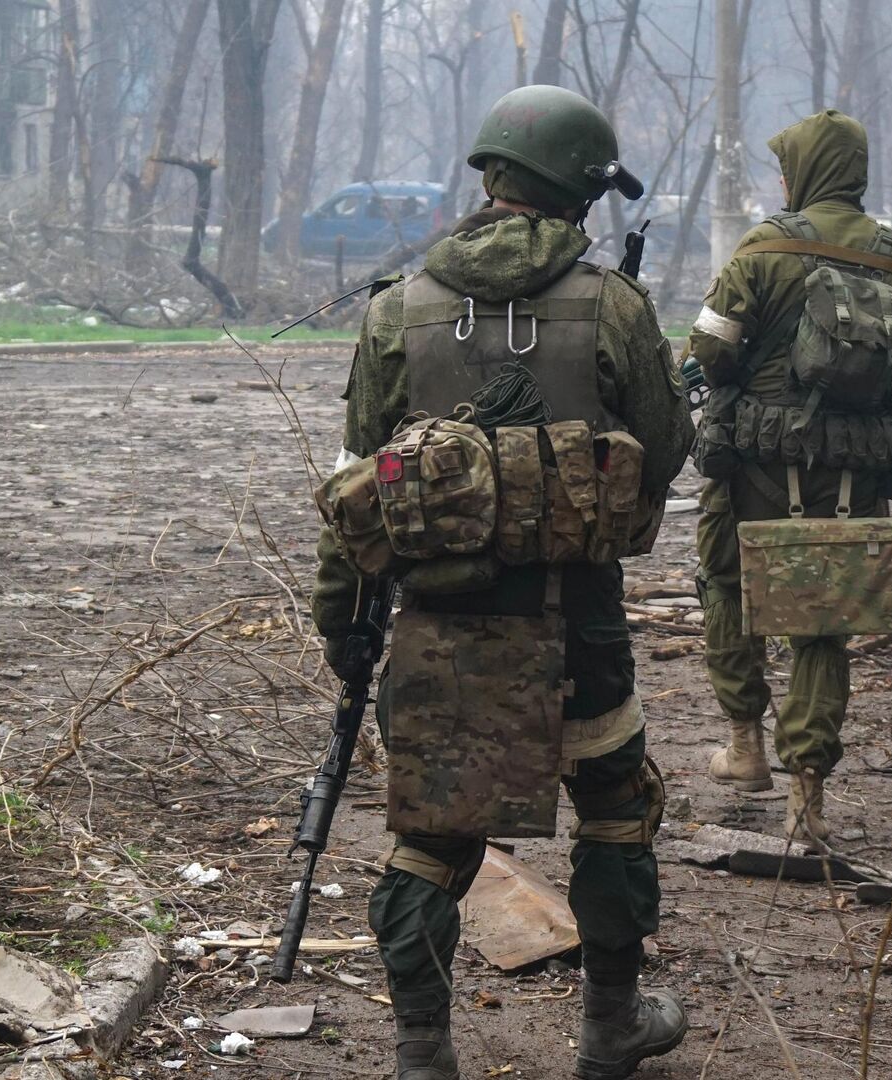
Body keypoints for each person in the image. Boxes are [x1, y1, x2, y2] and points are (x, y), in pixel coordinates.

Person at [311, 85, 694, 1080]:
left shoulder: (399, 308)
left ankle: (421, 1053)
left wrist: (342, 623)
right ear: (578, 189)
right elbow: (662, 453)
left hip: (437, 622)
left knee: (431, 840)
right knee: (616, 809)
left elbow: (359, 486)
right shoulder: (615, 304)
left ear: (491, 174)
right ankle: (610, 1031)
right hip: (580, 625)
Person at [684, 110, 892, 846]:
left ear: (802, 173)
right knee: (822, 627)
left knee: (726, 584)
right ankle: (806, 798)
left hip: (755, 467)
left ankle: (744, 746)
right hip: (854, 472)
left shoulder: (764, 249)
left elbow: (708, 350)